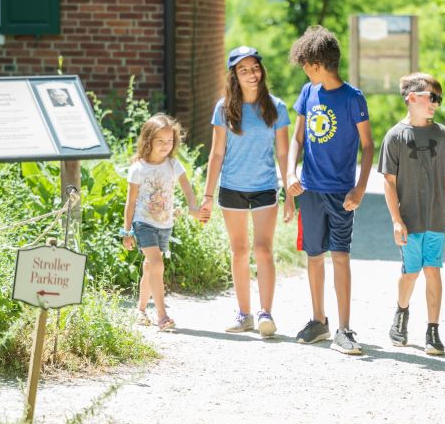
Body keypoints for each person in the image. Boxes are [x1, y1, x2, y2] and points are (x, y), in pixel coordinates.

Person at [286, 25, 374, 355]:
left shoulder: (353, 98)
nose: (304, 71)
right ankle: (318, 321)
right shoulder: (308, 93)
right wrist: (290, 173)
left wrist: (359, 189)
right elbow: (297, 140)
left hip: (340, 193)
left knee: (340, 256)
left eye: (305, 65)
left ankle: (344, 329)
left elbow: (368, 146)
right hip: (309, 190)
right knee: (313, 256)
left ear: (317, 63)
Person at [200, 46, 294, 337]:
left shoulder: (276, 107)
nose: (251, 74)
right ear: (235, 76)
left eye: (255, 68)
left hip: (265, 187)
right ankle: (244, 315)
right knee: (239, 251)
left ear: (261, 71)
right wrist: (207, 196)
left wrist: (290, 193)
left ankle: (266, 313)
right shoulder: (224, 108)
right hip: (232, 188)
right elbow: (216, 154)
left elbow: (283, 152)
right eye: (244, 70)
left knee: (263, 250)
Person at [378, 73, 445, 355]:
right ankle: (401, 313)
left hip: (436, 219)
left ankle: (433, 330)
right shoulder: (395, 136)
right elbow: (388, 181)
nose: (436, 103)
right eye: (432, 97)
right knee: (411, 273)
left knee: (433, 270)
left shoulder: (443, 134)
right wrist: (396, 221)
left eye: (439, 99)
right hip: (409, 220)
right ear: (412, 98)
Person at [121, 113, 203, 330]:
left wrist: (193, 208)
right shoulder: (138, 168)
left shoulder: (173, 164)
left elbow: (187, 187)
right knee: (157, 264)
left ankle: (139, 310)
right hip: (143, 223)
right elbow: (130, 203)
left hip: (165, 224)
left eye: (170, 141)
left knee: (150, 267)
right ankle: (162, 315)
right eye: (161, 141)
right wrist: (126, 231)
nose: (166, 146)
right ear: (148, 140)